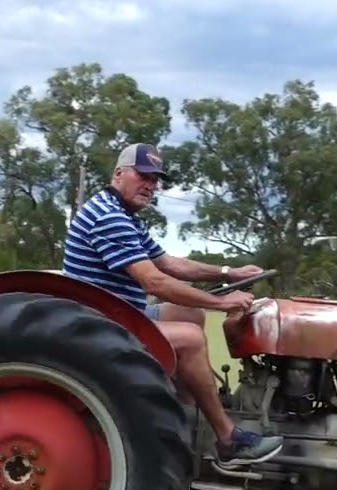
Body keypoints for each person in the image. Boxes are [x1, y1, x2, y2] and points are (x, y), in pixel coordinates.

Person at [62, 142, 284, 466]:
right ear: (119, 174)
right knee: (191, 339)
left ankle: (188, 408)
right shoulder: (108, 217)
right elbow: (156, 282)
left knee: (188, 314)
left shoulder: (126, 216)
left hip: (122, 312)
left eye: (155, 179)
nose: (150, 185)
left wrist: (227, 272)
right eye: (143, 175)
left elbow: (168, 263)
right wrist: (222, 303)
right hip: (100, 323)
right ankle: (227, 439)